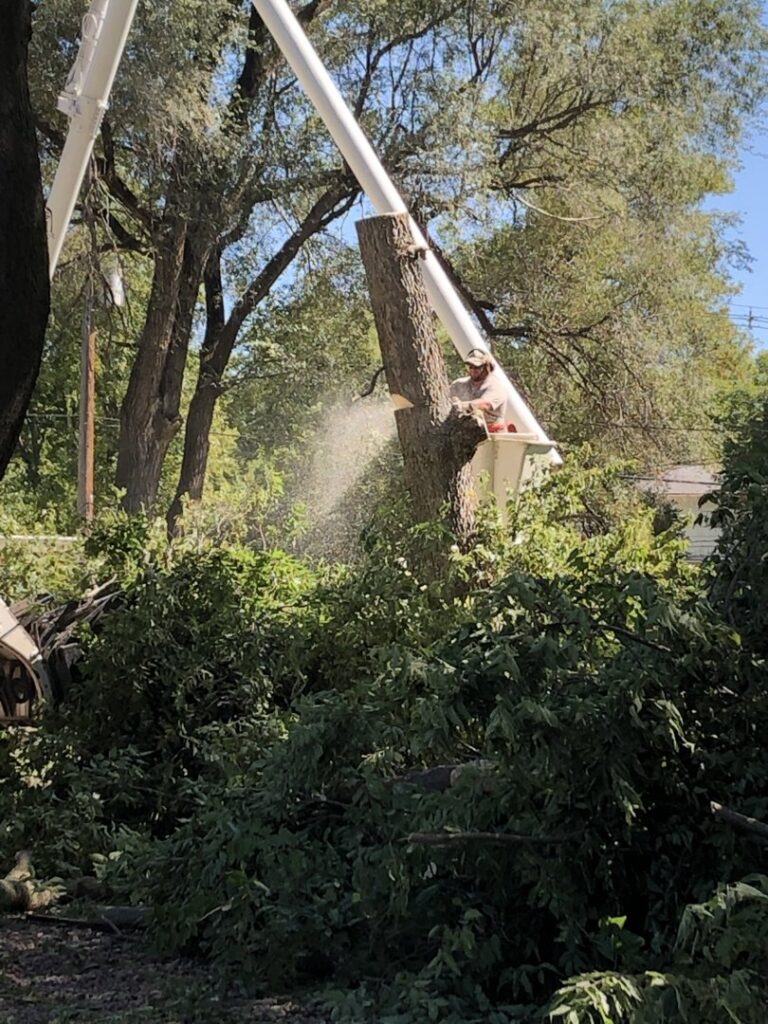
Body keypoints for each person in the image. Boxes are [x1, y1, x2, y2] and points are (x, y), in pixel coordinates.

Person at [450, 348, 507, 426]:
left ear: (487, 367)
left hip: (491, 433)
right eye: (470, 366)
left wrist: (463, 406)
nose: (473, 370)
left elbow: (485, 404)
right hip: (464, 431)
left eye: (477, 367)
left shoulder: (496, 386)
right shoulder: (458, 385)